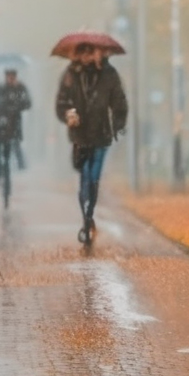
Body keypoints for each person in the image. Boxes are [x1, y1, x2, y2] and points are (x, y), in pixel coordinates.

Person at [55, 43, 127, 245]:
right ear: (79, 54)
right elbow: (61, 103)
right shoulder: (70, 74)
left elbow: (119, 102)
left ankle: (88, 214)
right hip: (79, 135)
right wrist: (67, 114)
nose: (89, 56)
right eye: (84, 52)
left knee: (93, 176)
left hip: (102, 134)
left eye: (93, 52)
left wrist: (118, 125)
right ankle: (86, 217)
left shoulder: (109, 74)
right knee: (84, 175)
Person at [0, 69, 32, 181]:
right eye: (9, 76)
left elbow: (27, 104)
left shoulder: (19, 89)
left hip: (13, 129)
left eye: (13, 76)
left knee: (14, 149)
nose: (11, 78)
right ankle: (1, 176)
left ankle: (15, 170)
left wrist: (21, 89)